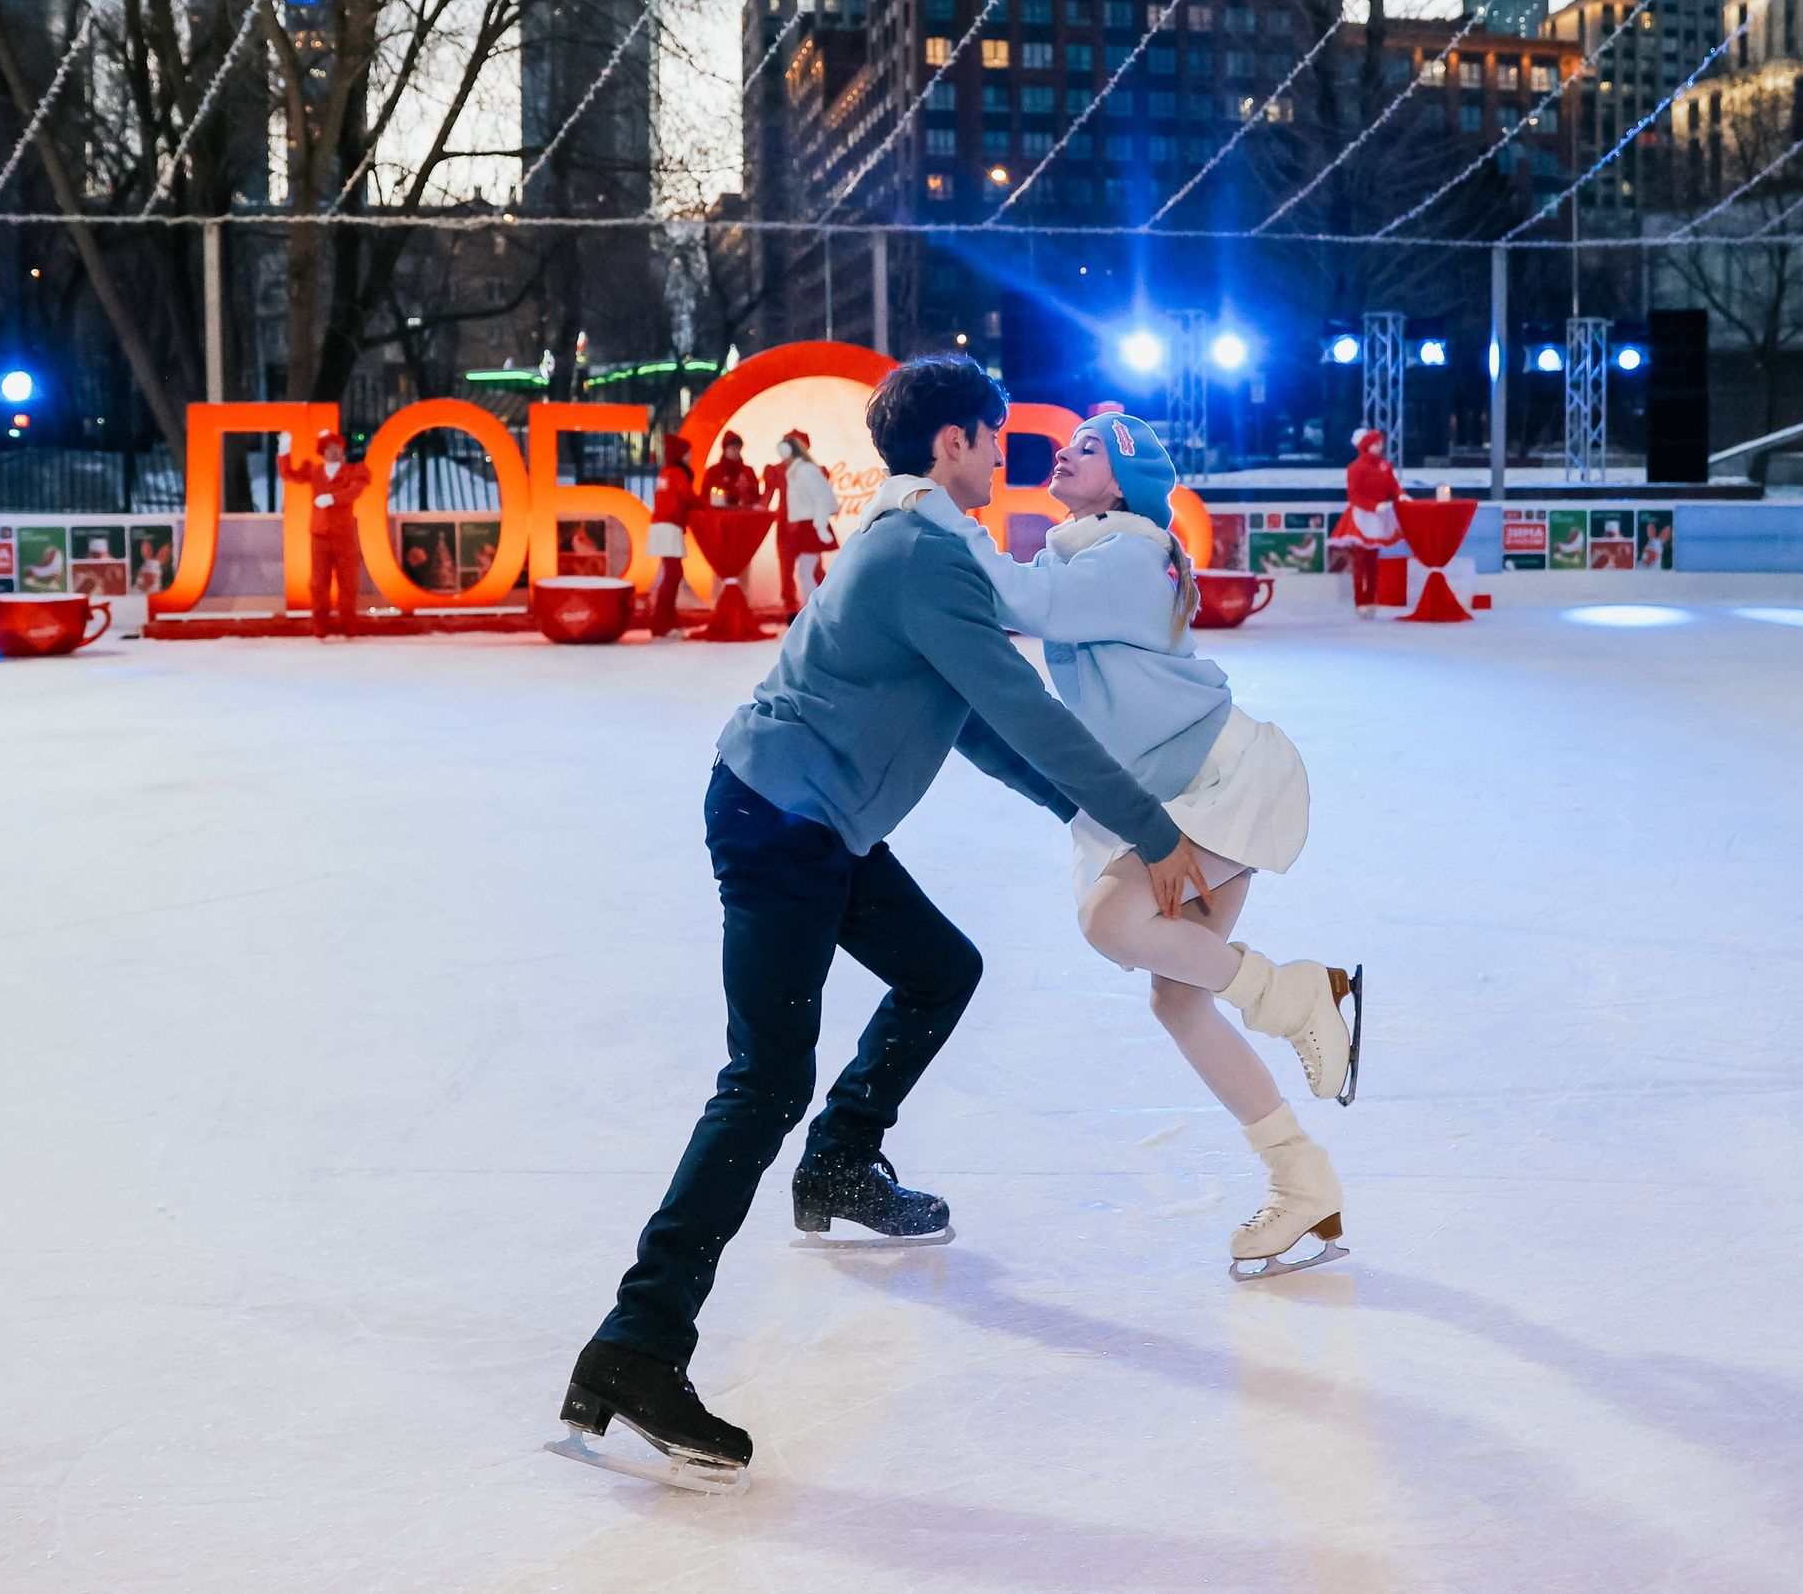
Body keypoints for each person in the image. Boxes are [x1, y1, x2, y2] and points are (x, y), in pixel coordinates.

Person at [560, 354, 1214, 1494]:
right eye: (997, 438)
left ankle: (841, 1163)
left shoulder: (922, 543)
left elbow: (974, 723)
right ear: (955, 442)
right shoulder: (922, 553)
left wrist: (1091, 818)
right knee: (762, 1081)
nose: (1008, 457)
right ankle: (635, 1345)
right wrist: (1152, 832)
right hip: (781, 822)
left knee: (938, 969)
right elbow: (1021, 708)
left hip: (816, 823)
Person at [912, 411, 1360, 1281]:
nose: (1063, 452)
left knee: (1108, 918)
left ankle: (1297, 993)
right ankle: (1301, 1180)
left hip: (1222, 781)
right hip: (1174, 788)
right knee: (1178, 998)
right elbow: (1029, 593)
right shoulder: (1084, 547)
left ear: (1120, 480)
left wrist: (929, 510)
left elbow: (1019, 602)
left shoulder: (1129, 550)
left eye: (1087, 448)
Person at [277, 430, 371, 637]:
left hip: (343, 535)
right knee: (319, 582)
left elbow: (354, 491)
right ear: (322, 452)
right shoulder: (315, 471)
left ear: (343, 451)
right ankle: (320, 623)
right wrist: (284, 450)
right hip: (319, 535)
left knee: (348, 581)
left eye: (337, 448)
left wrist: (332, 498)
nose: (334, 452)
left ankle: (348, 622)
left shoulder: (353, 471)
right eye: (329, 449)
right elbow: (288, 475)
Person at [1327, 427, 1403, 617]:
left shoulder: (1384, 466)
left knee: (1372, 562)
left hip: (1378, 517)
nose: (1380, 447)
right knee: (1360, 561)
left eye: (1380, 444)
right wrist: (1373, 506)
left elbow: (1393, 485)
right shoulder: (1355, 468)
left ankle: (1370, 599)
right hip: (1361, 517)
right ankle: (1360, 600)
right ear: (1367, 446)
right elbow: (1354, 496)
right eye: (1376, 444)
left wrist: (1401, 496)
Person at [770, 429, 838, 616]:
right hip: (801, 525)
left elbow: (822, 498)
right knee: (804, 571)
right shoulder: (796, 471)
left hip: (809, 526)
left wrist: (820, 526)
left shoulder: (805, 470)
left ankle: (815, 610)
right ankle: (812, 609)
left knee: (806, 572)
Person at [646, 434, 698, 639]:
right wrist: (705, 505)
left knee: (672, 574)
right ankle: (662, 625)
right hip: (670, 526)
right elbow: (687, 496)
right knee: (672, 576)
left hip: (662, 526)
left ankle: (666, 622)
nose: (690, 455)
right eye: (687, 451)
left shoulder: (666, 473)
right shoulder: (678, 474)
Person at [700, 431, 762, 509]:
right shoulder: (713, 471)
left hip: (744, 514)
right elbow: (705, 496)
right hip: (720, 515)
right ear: (725, 449)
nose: (735, 450)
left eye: (738, 447)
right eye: (732, 447)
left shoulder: (748, 471)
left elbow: (755, 495)